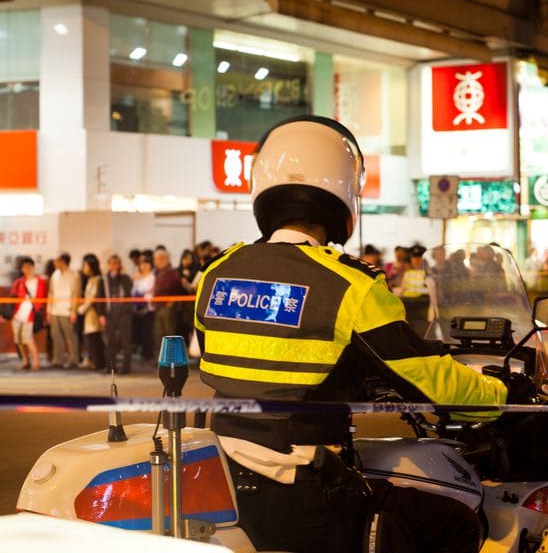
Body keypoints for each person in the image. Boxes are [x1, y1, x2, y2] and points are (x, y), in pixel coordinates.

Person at [194, 116, 512, 553]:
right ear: (345, 191)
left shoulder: (218, 271)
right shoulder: (351, 285)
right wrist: (497, 395)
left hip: (226, 473)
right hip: (303, 486)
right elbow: (428, 378)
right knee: (453, 521)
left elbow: (223, 354)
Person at [2, 258, 47, 371]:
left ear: (33, 267)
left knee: (28, 338)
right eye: (24, 267)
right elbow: (11, 298)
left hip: (30, 314)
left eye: (29, 266)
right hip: (17, 314)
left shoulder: (40, 281)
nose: (27, 269)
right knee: (19, 340)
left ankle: (36, 362)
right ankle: (25, 361)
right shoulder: (19, 282)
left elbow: (42, 299)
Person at [47, 252, 81, 369]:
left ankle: (73, 360)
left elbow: (76, 293)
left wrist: (73, 311)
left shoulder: (73, 275)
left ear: (63, 261)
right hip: (55, 310)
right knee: (56, 336)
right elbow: (50, 293)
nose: (54, 262)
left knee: (70, 337)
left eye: (57, 260)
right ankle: (58, 360)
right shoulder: (54, 275)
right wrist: (49, 310)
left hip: (67, 310)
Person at [103, 254, 135, 374]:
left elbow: (128, 290)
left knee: (126, 342)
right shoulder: (104, 279)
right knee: (110, 343)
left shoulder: (125, 278)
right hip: (110, 314)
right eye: (112, 263)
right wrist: (102, 314)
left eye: (117, 263)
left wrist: (120, 275)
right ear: (109, 264)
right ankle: (110, 367)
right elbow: (100, 297)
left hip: (124, 314)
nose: (114, 265)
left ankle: (126, 368)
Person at [152, 247, 186, 358]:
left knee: (169, 334)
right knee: (158, 334)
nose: (157, 262)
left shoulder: (173, 273)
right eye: (155, 259)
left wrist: (171, 303)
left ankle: (171, 358)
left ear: (165, 259)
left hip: (168, 308)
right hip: (158, 307)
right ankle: (161, 357)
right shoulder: (157, 273)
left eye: (159, 259)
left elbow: (177, 290)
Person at [77, 253, 107, 371]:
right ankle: (95, 361)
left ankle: (98, 362)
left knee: (94, 338)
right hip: (89, 313)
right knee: (92, 338)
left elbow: (92, 298)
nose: (83, 268)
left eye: (85, 265)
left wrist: (82, 309)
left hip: (93, 313)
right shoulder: (92, 279)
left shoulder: (97, 280)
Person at [131, 255, 156, 361]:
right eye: (142, 264)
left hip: (148, 308)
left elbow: (149, 290)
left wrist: (142, 294)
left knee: (147, 332)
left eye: (146, 264)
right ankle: (142, 352)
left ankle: (148, 354)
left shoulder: (152, 277)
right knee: (138, 332)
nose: (144, 266)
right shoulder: (137, 277)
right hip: (137, 308)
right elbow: (133, 291)